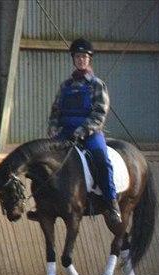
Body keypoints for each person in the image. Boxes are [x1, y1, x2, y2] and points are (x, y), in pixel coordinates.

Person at [47, 38, 121, 226]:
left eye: (84, 57)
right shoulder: (65, 86)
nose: (81, 60)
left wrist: (81, 131)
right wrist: (53, 129)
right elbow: (56, 111)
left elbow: (99, 113)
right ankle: (45, 204)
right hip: (64, 132)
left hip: (89, 133)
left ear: (89, 60)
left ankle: (111, 203)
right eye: (78, 57)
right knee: (45, 160)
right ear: (74, 59)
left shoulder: (97, 84)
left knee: (102, 160)